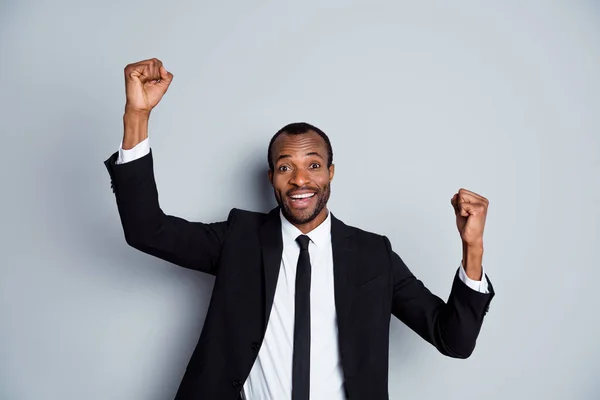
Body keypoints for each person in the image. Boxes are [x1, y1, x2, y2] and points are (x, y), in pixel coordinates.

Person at [104, 58, 495, 400]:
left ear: (331, 174)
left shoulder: (374, 255)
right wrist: (137, 116)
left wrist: (472, 248)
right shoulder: (238, 239)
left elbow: (454, 339)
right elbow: (146, 230)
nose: (300, 179)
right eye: (286, 167)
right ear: (272, 177)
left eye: (313, 164)